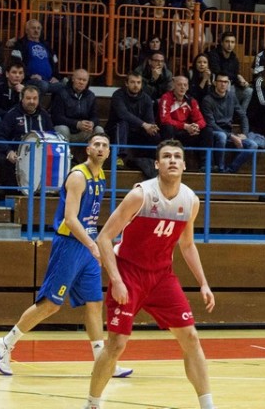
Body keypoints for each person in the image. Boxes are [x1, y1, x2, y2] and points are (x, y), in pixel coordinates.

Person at [85, 140, 215, 409]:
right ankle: (92, 403)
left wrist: (203, 283)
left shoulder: (190, 200)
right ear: (157, 164)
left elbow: (187, 244)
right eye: (166, 156)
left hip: (161, 277)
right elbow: (104, 238)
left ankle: (208, 405)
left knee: (191, 337)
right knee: (117, 343)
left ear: (184, 164)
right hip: (130, 273)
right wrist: (117, 280)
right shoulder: (141, 195)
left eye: (177, 157)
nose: (172, 160)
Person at [0, 133, 132, 379]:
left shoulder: (101, 175)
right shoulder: (78, 176)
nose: (100, 148)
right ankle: (5, 343)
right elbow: (70, 218)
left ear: (109, 152)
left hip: (87, 245)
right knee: (51, 304)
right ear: (88, 149)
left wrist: (96, 242)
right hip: (70, 244)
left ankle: (101, 359)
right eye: (96, 144)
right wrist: (92, 244)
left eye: (104, 145)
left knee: (94, 302)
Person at [200, 73, 256, 174]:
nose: (223, 84)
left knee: (253, 145)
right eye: (220, 81)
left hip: (229, 133)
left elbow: (243, 116)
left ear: (229, 83)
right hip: (214, 133)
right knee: (222, 136)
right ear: (215, 83)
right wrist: (231, 136)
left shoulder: (231, 96)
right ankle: (220, 169)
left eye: (225, 82)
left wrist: (245, 133)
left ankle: (230, 170)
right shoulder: (207, 100)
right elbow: (211, 124)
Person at [107, 72, 161, 167]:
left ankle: (150, 161)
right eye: (132, 82)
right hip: (116, 130)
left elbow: (150, 119)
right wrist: (144, 124)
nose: (136, 85)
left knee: (154, 134)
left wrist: (152, 126)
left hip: (137, 130)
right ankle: (118, 157)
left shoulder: (146, 98)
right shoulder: (118, 95)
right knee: (123, 123)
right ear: (126, 83)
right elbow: (123, 114)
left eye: (138, 82)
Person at [157, 75, 210, 168]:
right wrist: (185, 126)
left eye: (185, 85)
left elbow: (201, 120)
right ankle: (168, 160)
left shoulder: (191, 100)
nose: (182, 87)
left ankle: (205, 165)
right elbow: (165, 119)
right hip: (172, 131)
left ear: (188, 87)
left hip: (186, 132)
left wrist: (196, 126)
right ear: (174, 85)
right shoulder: (166, 98)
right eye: (179, 85)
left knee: (207, 131)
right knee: (167, 127)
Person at [51, 69, 104, 143]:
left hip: (83, 132)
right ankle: (65, 154)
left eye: (84, 80)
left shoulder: (91, 96)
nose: (81, 82)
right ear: (73, 79)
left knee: (99, 129)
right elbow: (57, 118)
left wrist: (92, 123)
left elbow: (95, 116)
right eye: (79, 79)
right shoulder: (61, 93)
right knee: (63, 128)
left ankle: (94, 154)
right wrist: (77, 124)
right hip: (66, 131)